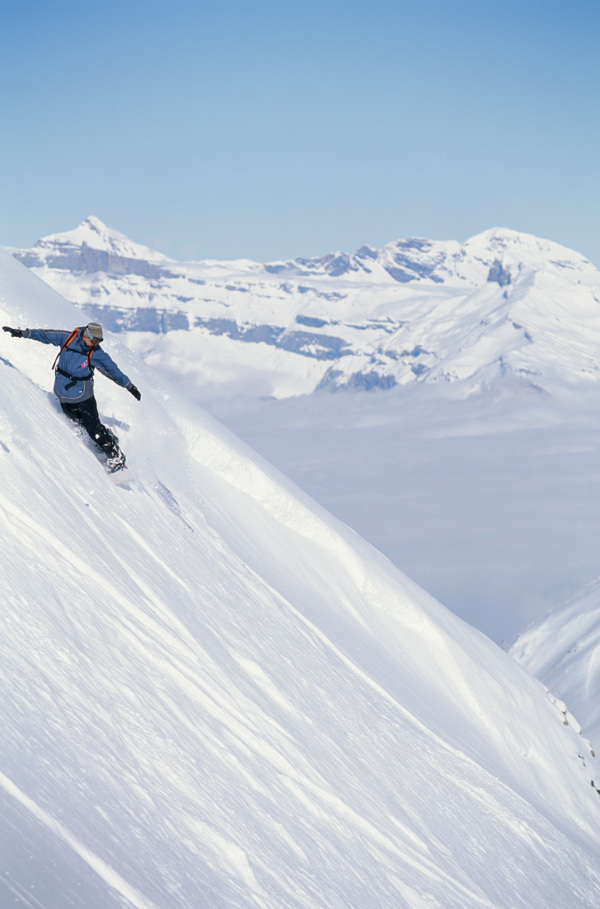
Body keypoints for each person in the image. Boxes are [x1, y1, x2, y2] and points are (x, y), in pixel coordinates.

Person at [2, 322, 141, 471]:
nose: (96, 344)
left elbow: (112, 369)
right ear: (87, 335)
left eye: (99, 342)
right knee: (76, 421)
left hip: (83, 394)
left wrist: (129, 385)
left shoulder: (95, 352)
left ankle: (116, 456)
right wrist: (22, 333)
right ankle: (106, 438)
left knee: (92, 426)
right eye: (94, 341)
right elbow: (45, 335)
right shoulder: (68, 338)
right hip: (63, 391)